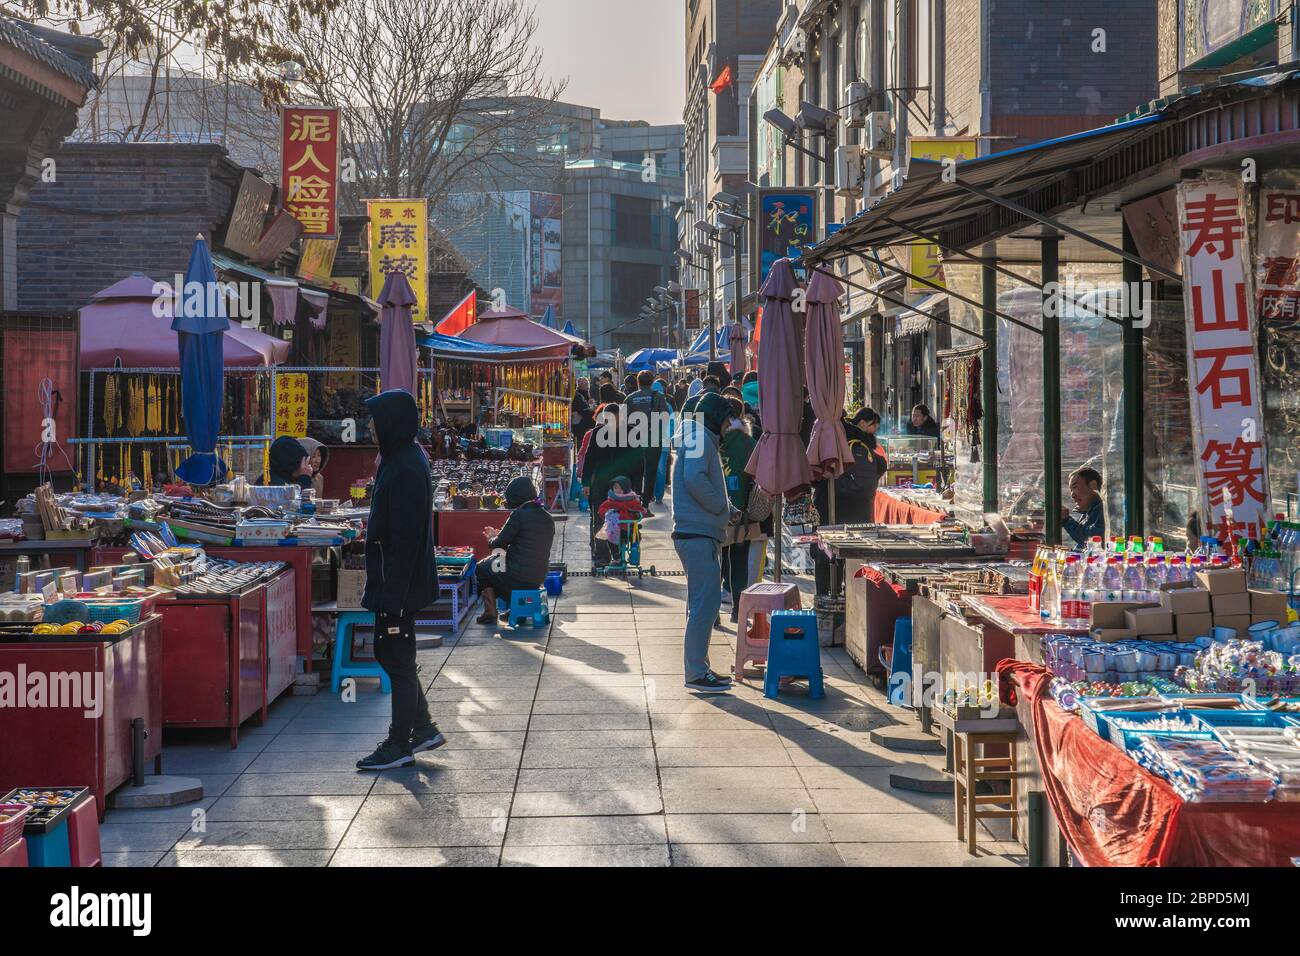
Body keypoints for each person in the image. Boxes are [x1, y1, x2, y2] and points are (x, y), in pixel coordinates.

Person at [356, 390, 443, 772]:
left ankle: (399, 744)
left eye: (376, 420)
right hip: (393, 581)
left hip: (399, 584)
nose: (371, 427)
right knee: (394, 656)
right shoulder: (399, 459)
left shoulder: (406, 465)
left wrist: (393, 596)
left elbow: (406, 539)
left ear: (392, 422)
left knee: (397, 659)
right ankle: (422, 729)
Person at [672, 392, 737, 693]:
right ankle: (697, 672)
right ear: (715, 416)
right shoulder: (698, 436)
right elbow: (695, 479)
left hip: (699, 531)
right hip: (697, 532)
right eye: (726, 420)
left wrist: (728, 509)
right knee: (705, 604)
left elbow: (700, 479)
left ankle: (700, 668)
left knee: (701, 603)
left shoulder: (698, 435)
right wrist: (719, 508)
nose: (728, 427)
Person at [812, 411, 886, 598]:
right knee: (854, 556)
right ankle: (853, 600)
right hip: (860, 511)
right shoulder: (865, 443)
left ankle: (824, 597)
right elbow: (881, 465)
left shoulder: (830, 441)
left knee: (825, 554)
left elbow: (815, 475)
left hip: (831, 508)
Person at [476, 476, 556, 624]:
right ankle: (517, 609)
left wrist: (492, 538)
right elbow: (527, 541)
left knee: (482, 567)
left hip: (518, 576)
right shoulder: (547, 516)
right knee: (499, 565)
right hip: (539, 576)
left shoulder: (519, 514)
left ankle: (490, 611)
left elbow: (499, 544)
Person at [582, 404, 644, 568]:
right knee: (599, 518)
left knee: (625, 520)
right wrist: (586, 483)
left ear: (621, 417)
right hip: (601, 485)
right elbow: (589, 459)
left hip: (624, 487)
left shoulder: (632, 433)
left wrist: (638, 490)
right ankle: (601, 555)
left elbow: (639, 464)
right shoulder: (597, 433)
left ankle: (621, 553)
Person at [719, 397, 759, 624]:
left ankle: (713, 611)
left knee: (717, 561)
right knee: (740, 561)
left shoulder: (714, 440)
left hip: (716, 511)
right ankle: (738, 610)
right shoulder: (749, 443)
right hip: (744, 513)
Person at [625, 369, 669, 513]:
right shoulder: (658, 396)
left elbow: (622, 420)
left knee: (636, 470)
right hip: (653, 438)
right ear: (651, 382)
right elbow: (665, 416)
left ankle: (635, 500)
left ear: (638, 382)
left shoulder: (630, 398)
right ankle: (645, 505)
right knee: (650, 471)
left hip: (634, 438)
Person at [595, 475, 646, 565]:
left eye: (620, 488)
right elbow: (601, 509)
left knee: (637, 537)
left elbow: (641, 510)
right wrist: (608, 513)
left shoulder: (632, 500)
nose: (617, 490)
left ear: (626, 489)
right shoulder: (611, 500)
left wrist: (638, 513)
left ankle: (634, 555)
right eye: (615, 488)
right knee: (610, 537)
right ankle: (616, 556)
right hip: (615, 527)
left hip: (629, 527)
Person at [1063, 467, 1106, 549]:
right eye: (1071, 490)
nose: (1072, 495)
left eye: (1075, 487)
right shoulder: (1088, 513)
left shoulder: (1104, 510)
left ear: (1093, 485)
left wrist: (1066, 521)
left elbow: (1093, 538)